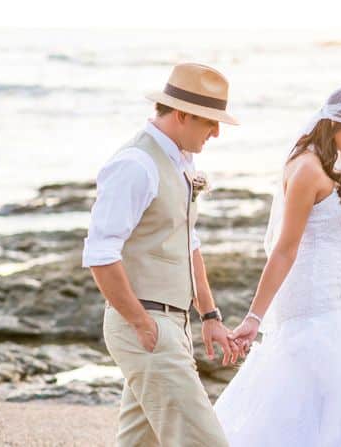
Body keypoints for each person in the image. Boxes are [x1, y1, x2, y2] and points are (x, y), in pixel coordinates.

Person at [214, 85, 341, 446]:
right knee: (308, 407)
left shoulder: (329, 162)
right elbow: (284, 249)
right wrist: (254, 318)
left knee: (336, 408)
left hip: (337, 301)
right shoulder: (307, 170)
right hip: (313, 306)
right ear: (337, 123)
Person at [82, 62, 239, 446]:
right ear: (182, 115)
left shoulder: (180, 161)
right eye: (210, 122)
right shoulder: (136, 164)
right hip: (148, 326)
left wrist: (210, 315)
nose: (217, 132)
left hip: (173, 323)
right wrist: (139, 323)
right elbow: (100, 253)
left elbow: (188, 243)